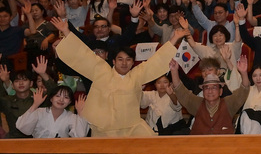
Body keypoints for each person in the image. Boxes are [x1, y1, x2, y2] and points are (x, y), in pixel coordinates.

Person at [50, 15, 188, 137]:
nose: (124, 63)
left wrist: (175, 37)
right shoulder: (101, 70)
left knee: (150, 144)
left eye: (128, 60)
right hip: (104, 128)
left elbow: (156, 60)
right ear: (114, 61)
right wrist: (66, 31)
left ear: (133, 63)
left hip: (131, 127)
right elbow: (83, 55)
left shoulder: (137, 74)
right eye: (120, 59)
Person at [0, 53, 57, 138]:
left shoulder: (39, 98)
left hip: (37, 140)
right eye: (17, 81)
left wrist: (43, 74)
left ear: (31, 83)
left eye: (24, 80)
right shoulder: (7, 101)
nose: (21, 83)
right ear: (12, 86)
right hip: (14, 140)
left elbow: (55, 93)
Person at [171, 55, 251, 135]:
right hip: (199, 144)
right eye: (207, 88)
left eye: (214, 88)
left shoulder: (228, 103)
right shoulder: (197, 103)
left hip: (224, 145)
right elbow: (182, 93)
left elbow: (243, 92)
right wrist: (174, 72)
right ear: (203, 90)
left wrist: (244, 73)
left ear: (220, 91)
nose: (210, 91)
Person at [15, 86, 89, 138]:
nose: (61, 100)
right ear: (51, 99)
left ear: (69, 102)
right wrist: (35, 104)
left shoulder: (71, 116)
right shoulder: (39, 112)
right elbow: (23, 128)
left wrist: (80, 112)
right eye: (57, 96)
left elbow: (80, 136)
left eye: (66, 97)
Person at [238, 65, 261, 134]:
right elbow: (239, 85)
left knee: (256, 121)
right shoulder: (249, 90)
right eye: (254, 76)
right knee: (246, 113)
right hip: (247, 124)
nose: (258, 78)